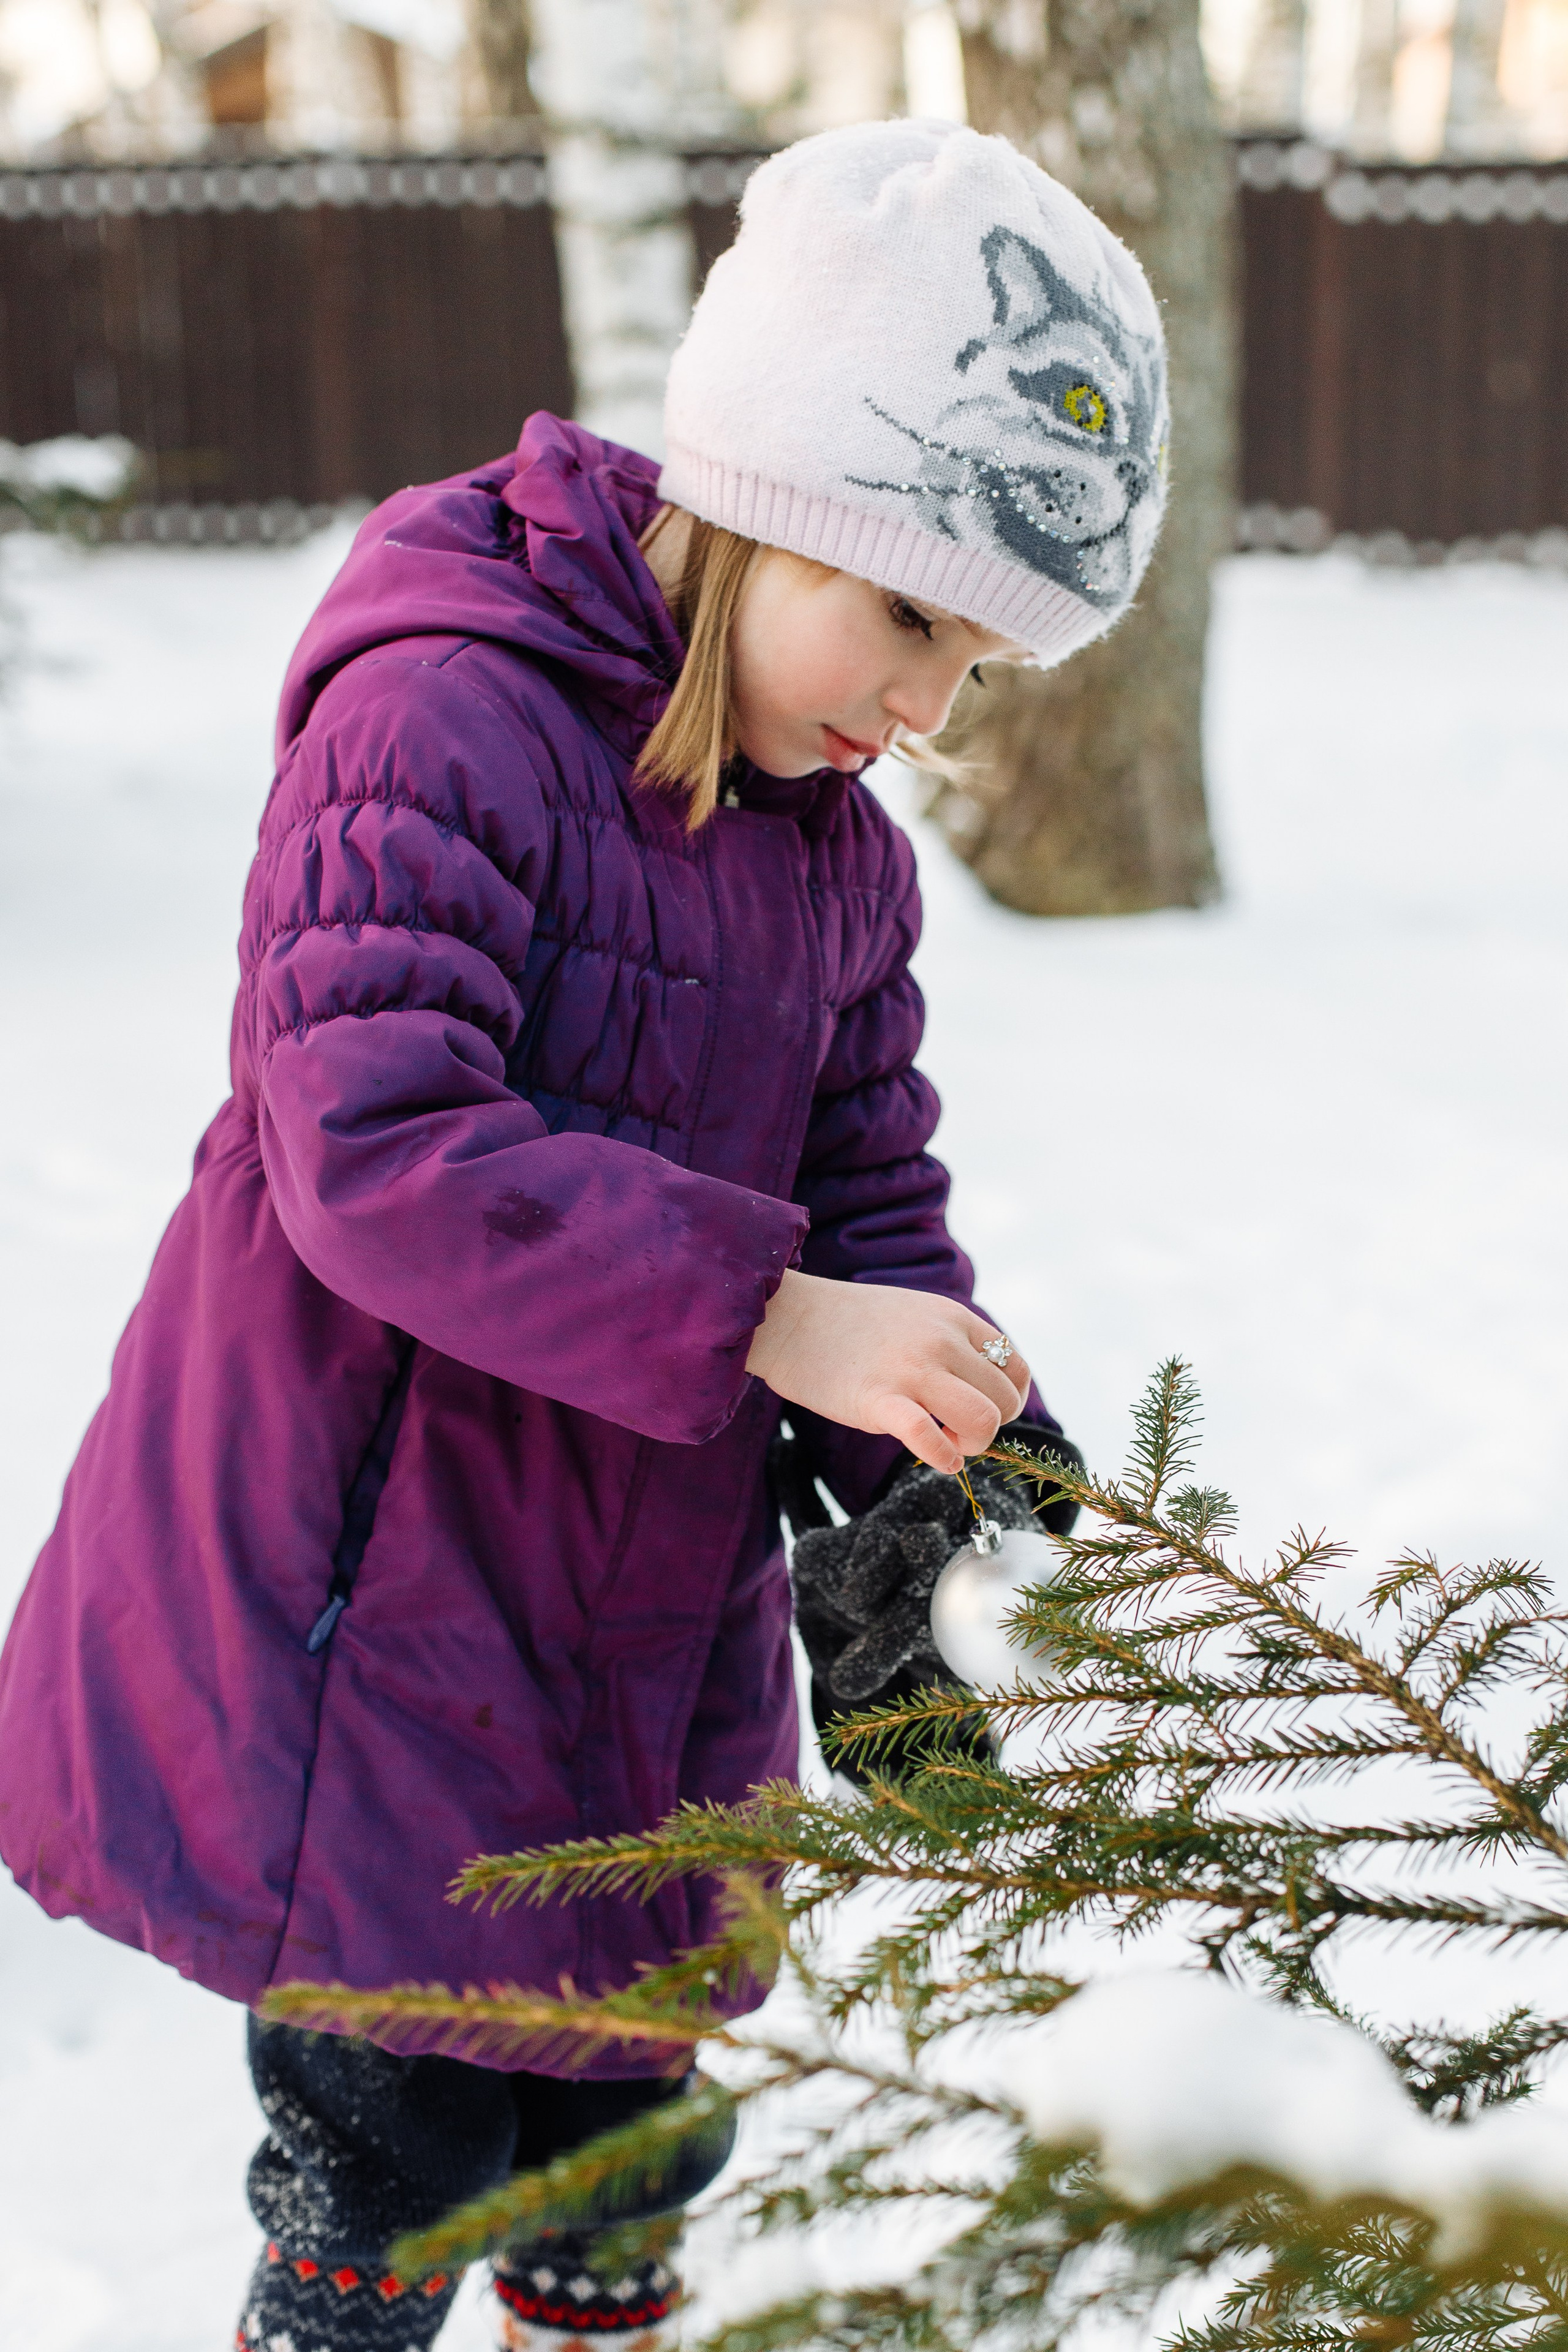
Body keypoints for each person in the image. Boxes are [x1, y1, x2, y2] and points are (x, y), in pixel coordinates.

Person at [0, 116, 1167, 2352]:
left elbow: (868, 1197)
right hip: (378, 1591)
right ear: (760, 506)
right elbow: (369, 1137)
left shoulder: (842, 855)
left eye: (982, 669)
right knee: (401, 2125)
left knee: (639, 2120)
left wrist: (930, 1476)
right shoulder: (444, 717)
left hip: (645, 1610)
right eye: (911, 614)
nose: (925, 710)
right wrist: (772, 1315)